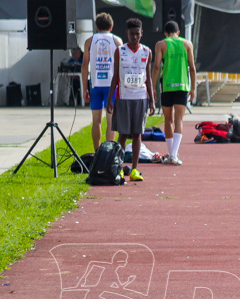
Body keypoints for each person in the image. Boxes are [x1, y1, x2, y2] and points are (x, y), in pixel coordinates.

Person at [107, 18, 155, 183]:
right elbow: (115, 77)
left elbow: (148, 77)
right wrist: (110, 99)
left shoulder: (147, 51)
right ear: (127, 33)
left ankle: (134, 169)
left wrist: (152, 100)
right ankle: (119, 169)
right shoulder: (120, 51)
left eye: (137, 34)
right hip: (123, 97)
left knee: (137, 134)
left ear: (141, 33)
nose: (135, 37)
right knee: (122, 135)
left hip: (140, 97)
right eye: (132, 34)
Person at [151, 20, 196, 166]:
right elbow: (192, 68)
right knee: (179, 120)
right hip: (182, 86)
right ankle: (174, 155)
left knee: (168, 120)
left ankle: (171, 155)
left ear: (165, 33)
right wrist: (193, 88)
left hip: (167, 86)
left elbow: (157, 66)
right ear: (178, 32)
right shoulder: (187, 44)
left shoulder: (161, 44)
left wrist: (152, 87)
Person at [81, 13, 123, 150]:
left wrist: (84, 88)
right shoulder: (117, 41)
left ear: (97, 27)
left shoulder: (89, 41)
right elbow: (121, 66)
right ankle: (108, 153)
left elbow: (84, 66)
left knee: (96, 121)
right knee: (111, 120)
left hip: (95, 85)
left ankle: (97, 152)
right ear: (111, 27)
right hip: (111, 86)